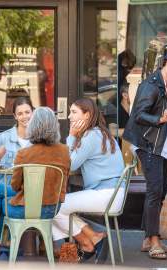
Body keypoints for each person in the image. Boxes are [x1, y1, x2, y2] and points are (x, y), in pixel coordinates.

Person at [0, 107, 70, 254]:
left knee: (1, 197)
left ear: (33, 126)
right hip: (52, 208)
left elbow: (15, 186)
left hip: (25, 209)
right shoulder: (65, 151)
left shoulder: (24, 153)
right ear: (55, 126)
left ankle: (1, 245)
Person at [122, 46, 167, 260]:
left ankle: (147, 238)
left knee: (160, 193)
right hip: (149, 145)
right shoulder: (151, 85)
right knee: (154, 192)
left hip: (165, 147)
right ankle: (153, 241)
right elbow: (138, 115)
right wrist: (159, 119)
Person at [51, 98, 124, 261]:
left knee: (52, 207)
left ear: (87, 115)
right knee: (57, 206)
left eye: (74, 112)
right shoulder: (100, 132)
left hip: (106, 195)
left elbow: (70, 164)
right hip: (111, 193)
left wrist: (70, 137)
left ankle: (87, 243)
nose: (69, 117)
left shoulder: (91, 136)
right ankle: (93, 236)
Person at [0, 96, 35, 184]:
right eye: (20, 114)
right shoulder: (2, 137)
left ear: (33, 112)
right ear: (15, 116)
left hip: (31, 193)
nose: (24, 116)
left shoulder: (39, 139)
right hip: (6, 192)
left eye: (27, 112)